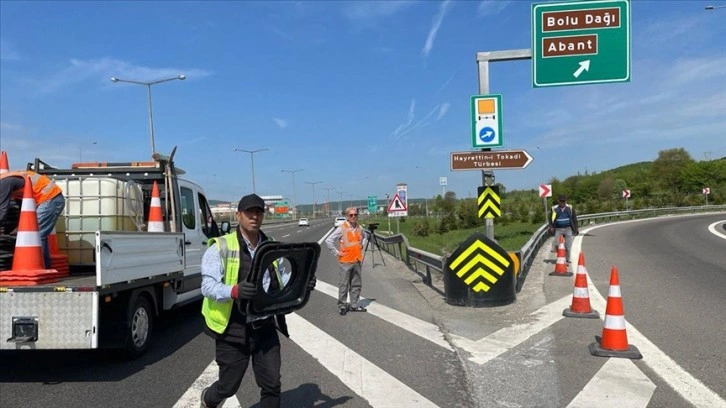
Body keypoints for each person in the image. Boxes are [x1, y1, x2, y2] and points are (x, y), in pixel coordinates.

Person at [200, 193, 315, 408]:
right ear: (238, 215)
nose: (254, 216)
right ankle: (208, 399)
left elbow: (281, 279)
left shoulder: (271, 245)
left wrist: (301, 282)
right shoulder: (221, 247)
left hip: (264, 326)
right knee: (228, 386)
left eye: (258, 212)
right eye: (249, 212)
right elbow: (207, 286)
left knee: (272, 385)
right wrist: (234, 291)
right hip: (233, 328)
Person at [0, 172, 65, 268]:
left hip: (50, 198)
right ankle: (45, 267)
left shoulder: (3, 184)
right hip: (50, 198)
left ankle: (39, 267)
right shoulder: (8, 181)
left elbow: (2, 209)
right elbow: (23, 203)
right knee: (40, 235)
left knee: (36, 236)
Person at [325, 207, 368, 316]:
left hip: (357, 260)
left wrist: (362, 243)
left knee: (356, 284)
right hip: (346, 261)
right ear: (347, 217)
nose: (353, 217)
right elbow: (329, 240)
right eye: (351, 215)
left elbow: (365, 236)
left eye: (355, 215)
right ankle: (342, 305)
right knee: (344, 284)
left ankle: (354, 305)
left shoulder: (359, 228)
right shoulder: (341, 228)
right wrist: (337, 252)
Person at [549, 194, 579, 263]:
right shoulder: (554, 209)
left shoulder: (570, 208)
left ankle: (567, 259)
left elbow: (574, 218)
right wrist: (551, 227)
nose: (562, 203)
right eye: (561, 201)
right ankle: (560, 255)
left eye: (563, 201)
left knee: (568, 246)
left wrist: (576, 228)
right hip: (558, 229)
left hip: (568, 228)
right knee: (556, 244)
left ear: (566, 201)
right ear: (558, 201)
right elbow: (550, 219)